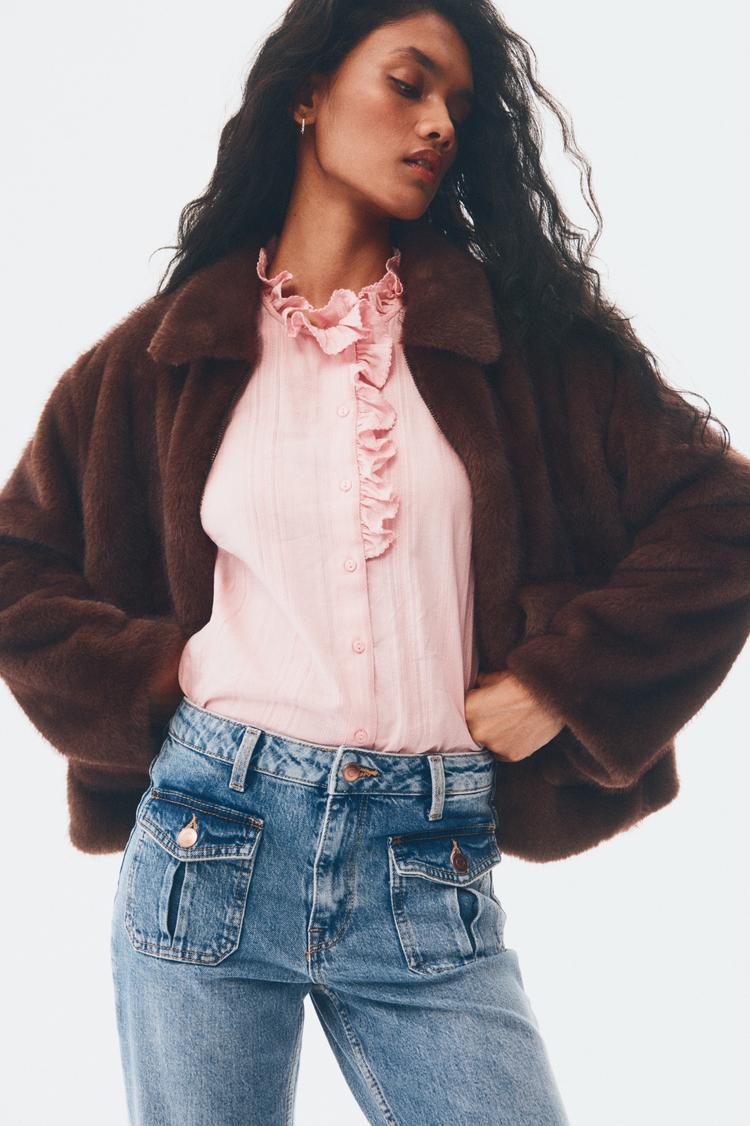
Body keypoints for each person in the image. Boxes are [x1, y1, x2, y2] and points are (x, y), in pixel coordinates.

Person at [1, 2, 749, 1124]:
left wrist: (562, 681)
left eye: (457, 104)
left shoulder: (522, 348)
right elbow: (16, 562)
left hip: (427, 858)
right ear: (308, 93)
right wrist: (155, 683)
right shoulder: (164, 358)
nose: (439, 122)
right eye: (409, 83)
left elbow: (725, 516)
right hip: (211, 838)